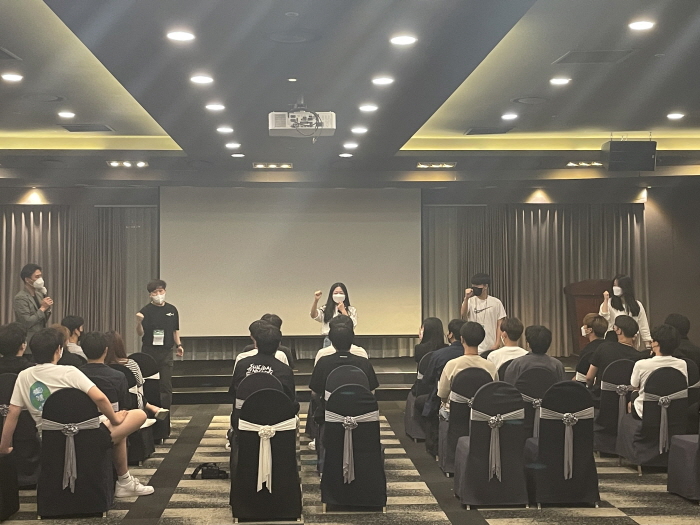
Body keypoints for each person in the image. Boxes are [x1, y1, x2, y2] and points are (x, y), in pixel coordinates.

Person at [0, 328, 154, 497]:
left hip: (49, 439)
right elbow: (100, 398)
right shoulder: (69, 371)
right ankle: (124, 481)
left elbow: (12, 413)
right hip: (85, 436)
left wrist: (4, 446)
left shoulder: (24, 376)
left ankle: (125, 481)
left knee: (116, 428)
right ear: (59, 350)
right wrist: (115, 419)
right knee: (137, 416)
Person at [420, 318, 466, 456]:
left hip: (443, 402)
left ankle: (434, 448)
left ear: (450, 334)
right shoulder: (483, 359)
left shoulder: (439, 355)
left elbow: (427, 380)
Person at [136, 279, 183, 409]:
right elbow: (140, 333)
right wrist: (139, 322)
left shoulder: (172, 310)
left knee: (166, 384)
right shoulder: (145, 311)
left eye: (160, 291)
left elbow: (175, 330)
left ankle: (166, 413)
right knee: (150, 384)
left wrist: (179, 345)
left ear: (165, 291)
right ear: (150, 295)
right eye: (155, 292)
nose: (158, 294)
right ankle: (152, 411)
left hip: (166, 351)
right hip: (149, 351)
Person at [229, 322, 297, 408]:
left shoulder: (242, 364)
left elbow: (233, 393)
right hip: (276, 414)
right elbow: (290, 398)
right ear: (279, 345)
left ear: (256, 344)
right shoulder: (285, 370)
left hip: (245, 413)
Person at [104, 330, 168, 419]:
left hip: (106, 406)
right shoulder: (131, 364)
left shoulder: (102, 367)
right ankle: (152, 408)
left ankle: (152, 407)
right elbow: (140, 384)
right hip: (133, 406)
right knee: (137, 391)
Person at [630, 324, 688, 419]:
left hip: (645, 413)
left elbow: (634, 385)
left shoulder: (641, 364)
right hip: (674, 412)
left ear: (656, 343)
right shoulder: (682, 364)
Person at [438, 322, 498, 412]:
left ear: (462, 339)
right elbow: (494, 392)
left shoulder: (452, 365)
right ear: (481, 340)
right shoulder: (491, 366)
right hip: (483, 415)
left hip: (456, 415)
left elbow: (442, 395)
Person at [585, 315, 646, 391]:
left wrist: (589, 388)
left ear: (619, 330)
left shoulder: (603, 348)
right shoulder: (639, 356)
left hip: (602, 395)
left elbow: (589, 377)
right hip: (627, 396)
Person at [80, 332, 131, 413]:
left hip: (82, 419)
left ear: (83, 350)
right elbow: (125, 407)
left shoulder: (76, 375)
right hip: (112, 419)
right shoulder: (118, 377)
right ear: (106, 350)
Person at [600, 274, 651, 350]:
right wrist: (605, 300)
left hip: (632, 343)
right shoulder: (609, 303)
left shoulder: (637, 305)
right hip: (613, 342)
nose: (615, 288)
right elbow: (603, 319)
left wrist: (648, 345)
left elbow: (644, 326)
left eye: (618, 286)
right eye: (614, 285)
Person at [460, 273, 507, 354]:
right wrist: (466, 298)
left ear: (485, 286)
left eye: (477, 285)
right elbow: (463, 314)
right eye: (473, 286)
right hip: (474, 347)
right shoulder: (470, 301)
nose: (475, 288)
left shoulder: (496, 302)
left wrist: (497, 343)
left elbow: (500, 324)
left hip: (491, 346)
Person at [13, 263, 53, 358]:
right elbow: (27, 322)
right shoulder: (20, 297)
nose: (40, 280)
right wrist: (42, 308)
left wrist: (47, 309)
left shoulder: (39, 294)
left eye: (40, 276)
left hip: (40, 341)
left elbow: (42, 320)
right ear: (27, 279)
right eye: (37, 277)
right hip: (29, 344)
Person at [310, 283, 357, 347]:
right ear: (331, 295)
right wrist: (316, 300)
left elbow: (352, 325)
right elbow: (313, 315)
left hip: (345, 339)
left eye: (341, 293)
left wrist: (343, 310)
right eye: (335, 293)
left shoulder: (351, 310)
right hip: (329, 340)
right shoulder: (325, 308)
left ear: (345, 295)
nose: (338, 295)